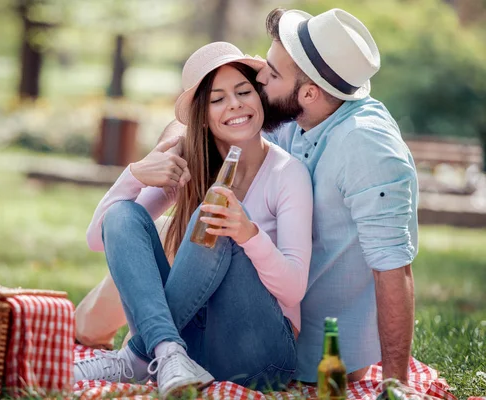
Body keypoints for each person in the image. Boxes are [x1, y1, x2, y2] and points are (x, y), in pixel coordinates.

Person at [155, 7, 418, 387]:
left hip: (318, 358)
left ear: (309, 92)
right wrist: (167, 148)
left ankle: (143, 350)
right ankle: (131, 344)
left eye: (272, 73)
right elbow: (205, 116)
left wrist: (397, 385)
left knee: (208, 225)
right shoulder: (300, 118)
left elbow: (393, 268)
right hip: (258, 315)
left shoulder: (367, 148)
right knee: (151, 225)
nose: (260, 76)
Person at [75, 42, 313, 399]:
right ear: (203, 114)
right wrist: (135, 174)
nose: (234, 104)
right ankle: (166, 350)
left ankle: (138, 355)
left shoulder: (287, 173)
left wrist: (248, 234)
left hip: (262, 357)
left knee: (213, 214)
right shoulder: (191, 165)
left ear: (259, 99)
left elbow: (295, 288)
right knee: (124, 213)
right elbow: (101, 236)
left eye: (244, 91)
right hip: (191, 353)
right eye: (217, 99)